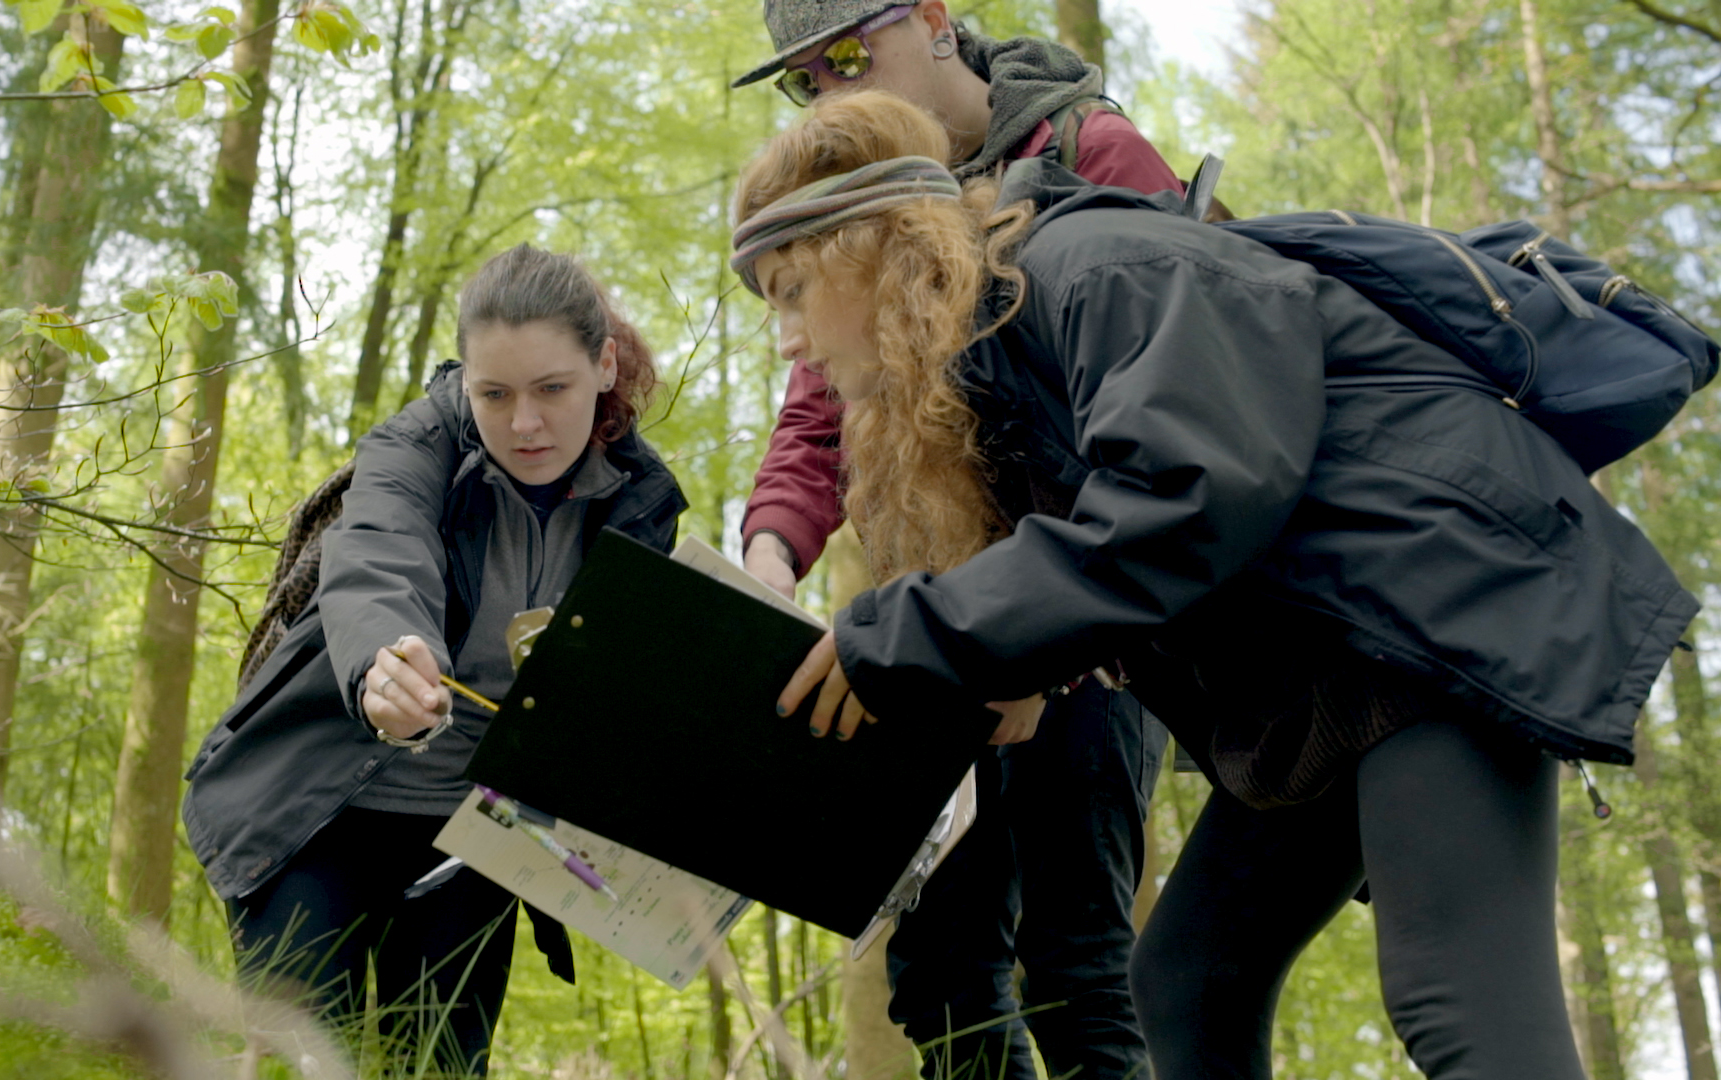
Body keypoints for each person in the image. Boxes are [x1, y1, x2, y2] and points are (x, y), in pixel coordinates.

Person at [735, 91, 1696, 1080]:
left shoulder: (1093, 265)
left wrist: (908, 633)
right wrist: (1030, 661)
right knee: (1189, 984)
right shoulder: (998, 362)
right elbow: (1112, 549)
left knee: (1459, 1002)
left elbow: (1188, 495)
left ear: (873, 246)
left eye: (793, 288)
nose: (790, 341)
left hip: (1434, 612)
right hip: (1319, 671)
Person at [733, 5, 1184, 1077]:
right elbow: (815, 415)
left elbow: (1161, 429)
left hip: (1092, 626)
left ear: (933, 19)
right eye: (805, 77)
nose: (832, 88)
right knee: (939, 969)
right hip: (932, 623)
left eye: (848, 54)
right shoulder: (843, 195)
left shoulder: (1090, 153)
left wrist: (1040, 642)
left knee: (1075, 962)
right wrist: (764, 564)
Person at [181, 245, 683, 1075]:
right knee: (301, 1056)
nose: (524, 423)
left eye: (551, 390)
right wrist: (388, 657)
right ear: (466, 384)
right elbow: (378, 552)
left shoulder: (640, 501)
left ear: (603, 366)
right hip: (314, 808)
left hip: (472, 833)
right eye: (495, 394)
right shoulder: (413, 449)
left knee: (443, 1063)